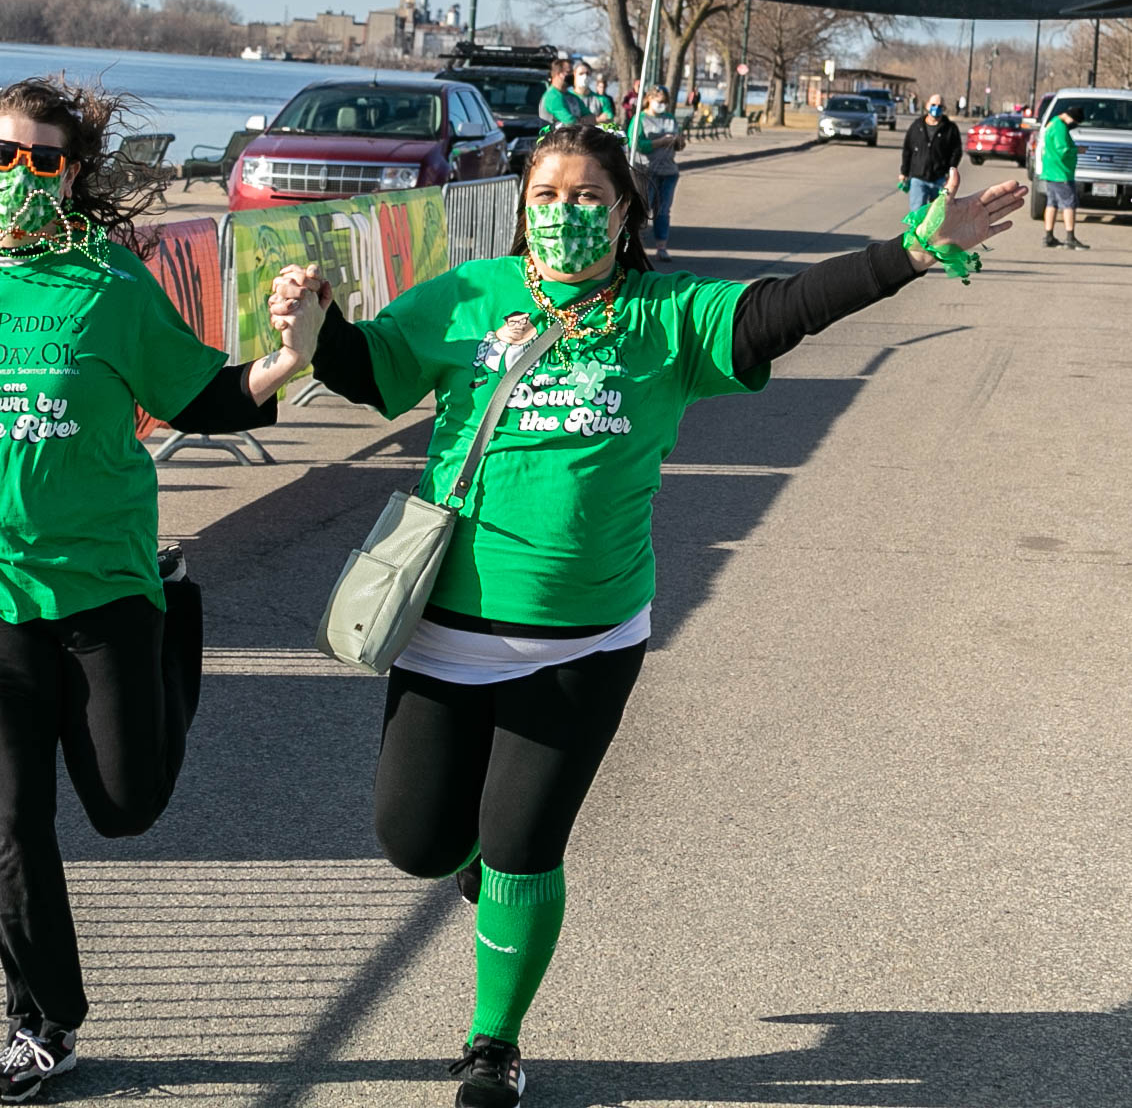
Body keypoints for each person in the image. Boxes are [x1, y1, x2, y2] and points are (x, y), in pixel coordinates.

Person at [268, 124, 1023, 1108]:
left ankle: (493, 1044)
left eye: (588, 196)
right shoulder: (468, 298)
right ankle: (477, 863)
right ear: (521, 207)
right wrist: (316, 323)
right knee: (417, 842)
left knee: (523, 850)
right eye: (546, 195)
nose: (565, 213)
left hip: (583, 643)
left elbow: (785, 308)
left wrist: (911, 254)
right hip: (444, 628)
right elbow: (373, 370)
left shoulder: (668, 317)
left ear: (626, 212)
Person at [0, 76, 307, 1105]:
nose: (17, 174)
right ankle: (41, 1024)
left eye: (42, 159)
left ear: (71, 175)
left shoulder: (107, 282)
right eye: (0, 153)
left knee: (125, 804)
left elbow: (200, 394)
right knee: (11, 821)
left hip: (105, 591)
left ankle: (176, 615)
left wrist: (288, 358)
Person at [634, 85, 685, 264]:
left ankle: (661, 247)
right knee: (643, 209)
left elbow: (680, 145)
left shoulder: (670, 119)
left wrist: (678, 141)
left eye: (665, 102)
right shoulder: (640, 119)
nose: (662, 104)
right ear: (649, 99)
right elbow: (636, 144)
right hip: (646, 170)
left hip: (668, 171)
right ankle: (637, 247)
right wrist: (660, 141)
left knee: (663, 211)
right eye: (659, 101)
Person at [1037, 102, 1087, 250]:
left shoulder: (1053, 122)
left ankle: (1049, 236)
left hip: (1050, 171)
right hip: (1061, 172)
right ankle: (1070, 238)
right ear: (1071, 118)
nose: (1074, 125)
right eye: (1076, 122)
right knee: (1069, 204)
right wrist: (1077, 150)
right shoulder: (1060, 127)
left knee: (1051, 203)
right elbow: (1063, 149)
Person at [899, 94, 961, 213]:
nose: (936, 108)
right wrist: (904, 172)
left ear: (944, 108)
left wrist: (950, 172)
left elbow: (956, 152)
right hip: (918, 177)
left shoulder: (950, 128)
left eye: (940, 106)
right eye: (933, 105)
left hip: (939, 179)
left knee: (936, 215)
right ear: (927, 105)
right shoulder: (917, 126)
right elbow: (907, 149)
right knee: (917, 213)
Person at [537, 59, 591, 127]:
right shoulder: (552, 96)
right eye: (569, 72)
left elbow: (591, 118)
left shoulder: (573, 97)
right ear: (558, 74)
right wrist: (582, 121)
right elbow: (569, 122)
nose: (572, 75)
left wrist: (583, 121)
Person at [574, 64, 616, 129]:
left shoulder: (602, 99)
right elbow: (569, 121)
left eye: (587, 74)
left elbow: (608, 119)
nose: (585, 76)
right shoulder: (567, 98)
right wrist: (597, 119)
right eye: (581, 73)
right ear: (574, 74)